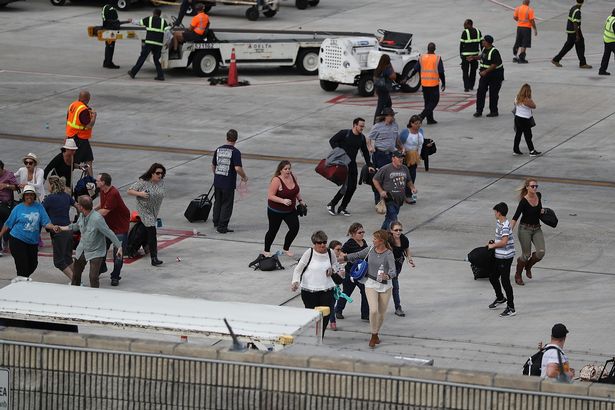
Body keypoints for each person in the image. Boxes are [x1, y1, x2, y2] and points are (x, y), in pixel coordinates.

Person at [339, 229, 396, 348]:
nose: (372, 240)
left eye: (375, 239)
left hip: (385, 285)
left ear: (381, 241)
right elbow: (356, 255)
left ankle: (376, 333)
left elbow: (393, 271)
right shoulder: (370, 249)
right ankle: (373, 335)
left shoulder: (389, 253)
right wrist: (341, 259)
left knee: (381, 314)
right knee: (373, 310)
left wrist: (387, 275)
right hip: (370, 283)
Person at [56, 195, 122, 288]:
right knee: (76, 275)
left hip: (96, 251)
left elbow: (109, 232)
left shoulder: (97, 219)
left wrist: (119, 246)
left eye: (78, 205)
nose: (77, 206)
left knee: (93, 277)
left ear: (81, 207)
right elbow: (76, 226)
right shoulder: (82, 215)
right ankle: (75, 292)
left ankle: (94, 297)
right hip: (82, 248)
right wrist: (61, 228)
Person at [291, 231, 339, 337]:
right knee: (311, 315)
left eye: (324, 242)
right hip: (309, 291)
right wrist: (295, 281)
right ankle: (312, 336)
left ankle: (320, 336)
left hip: (327, 289)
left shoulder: (330, 253)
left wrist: (332, 269)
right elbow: (298, 269)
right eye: (319, 242)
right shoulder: (309, 253)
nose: (322, 245)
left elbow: (336, 265)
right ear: (314, 243)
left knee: (326, 315)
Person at [0, 185, 56, 278]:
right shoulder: (18, 208)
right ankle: (22, 284)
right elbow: (8, 223)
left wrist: (53, 227)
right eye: (27, 194)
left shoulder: (39, 207)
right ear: (23, 196)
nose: (29, 196)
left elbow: (46, 222)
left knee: (33, 265)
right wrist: (0, 234)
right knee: (22, 266)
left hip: (32, 242)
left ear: (34, 196)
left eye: (31, 194)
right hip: (17, 240)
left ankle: (21, 280)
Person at [326, 117, 372, 217]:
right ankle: (332, 204)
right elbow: (332, 141)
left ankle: (343, 207)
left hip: (352, 165)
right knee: (345, 187)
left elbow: (365, 151)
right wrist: (340, 152)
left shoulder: (361, 138)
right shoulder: (344, 133)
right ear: (355, 125)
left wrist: (369, 165)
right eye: (360, 126)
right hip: (343, 164)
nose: (362, 128)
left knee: (353, 187)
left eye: (363, 126)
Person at [263, 161, 305, 257]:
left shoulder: (293, 176)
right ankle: (266, 250)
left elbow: (296, 190)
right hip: (275, 211)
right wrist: (283, 201)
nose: (288, 171)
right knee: (273, 230)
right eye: (285, 169)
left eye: (289, 168)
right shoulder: (276, 180)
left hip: (290, 210)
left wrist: (301, 200)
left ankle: (286, 248)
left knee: (294, 228)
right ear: (280, 170)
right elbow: (270, 196)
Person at [127, 163, 166, 266]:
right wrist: (140, 194)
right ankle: (154, 258)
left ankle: (131, 248)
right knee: (152, 233)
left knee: (143, 230)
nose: (160, 175)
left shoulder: (161, 182)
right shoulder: (143, 182)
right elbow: (130, 190)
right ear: (152, 173)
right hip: (144, 210)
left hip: (154, 211)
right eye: (158, 173)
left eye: (162, 173)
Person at [95, 172, 130, 286]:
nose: (96, 182)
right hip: (109, 226)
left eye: (97, 180)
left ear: (103, 182)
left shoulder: (113, 193)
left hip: (120, 227)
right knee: (101, 248)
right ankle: (102, 267)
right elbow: (102, 205)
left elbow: (104, 211)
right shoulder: (103, 191)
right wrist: (91, 208)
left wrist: (90, 215)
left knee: (118, 254)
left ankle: (115, 276)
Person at [211, 129, 248, 234]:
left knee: (218, 201)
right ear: (236, 139)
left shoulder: (218, 150)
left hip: (217, 181)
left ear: (226, 137)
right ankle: (222, 226)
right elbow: (237, 168)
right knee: (227, 204)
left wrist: (217, 175)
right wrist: (244, 177)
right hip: (228, 182)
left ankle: (216, 221)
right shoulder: (235, 152)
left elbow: (213, 166)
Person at [510, 178, 545, 286]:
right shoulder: (523, 202)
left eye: (536, 186)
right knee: (526, 254)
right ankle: (518, 275)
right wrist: (508, 231)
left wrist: (542, 211)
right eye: (532, 186)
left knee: (541, 252)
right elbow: (515, 217)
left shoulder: (538, 196)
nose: (535, 188)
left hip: (537, 229)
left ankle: (528, 266)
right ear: (527, 187)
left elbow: (539, 209)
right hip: (525, 229)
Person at [372, 151, 417, 230]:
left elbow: (409, 180)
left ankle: (381, 234)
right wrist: (381, 191)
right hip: (389, 198)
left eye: (402, 157)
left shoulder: (405, 168)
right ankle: (392, 234)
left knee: (389, 218)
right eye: (399, 157)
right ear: (393, 158)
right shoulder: (386, 168)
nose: (401, 159)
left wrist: (412, 188)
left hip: (399, 200)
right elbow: (375, 180)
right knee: (393, 218)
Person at [334, 222, 369, 322]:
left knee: (365, 292)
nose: (362, 234)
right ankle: (338, 310)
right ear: (353, 234)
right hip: (350, 272)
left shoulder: (364, 242)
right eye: (359, 232)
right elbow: (341, 254)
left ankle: (365, 314)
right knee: (346, 292)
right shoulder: (349, 243)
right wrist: (350, 259)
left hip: (361, 273)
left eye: (363, 232)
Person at [367, 107, 403, 203]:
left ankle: (389, 198)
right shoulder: (377, 126)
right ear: (385, 116)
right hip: (380, 155)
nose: (393, 117)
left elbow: (397, 138)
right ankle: (378, 199)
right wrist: (370, 147)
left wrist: (401, 147)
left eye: (393, 115)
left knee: (392, 176)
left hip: (392, 154)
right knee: (379, 177)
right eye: (391, 115)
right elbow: (369, 138)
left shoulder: (395, 125)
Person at [42, 176, 76, 280]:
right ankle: (77, 279)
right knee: (68, 258)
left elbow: (40, 211)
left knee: (59, 261)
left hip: (58, 232)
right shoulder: (66, 196)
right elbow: (78, 206)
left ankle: (75, 281)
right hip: (68, 230)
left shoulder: (49, 199)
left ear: (52, 185)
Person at [487, 202, 516, 317]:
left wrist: (492, 246)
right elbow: (499, 240)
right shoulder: (499, 222)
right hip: (499, 255)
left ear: (499, 212)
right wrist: (492, 243)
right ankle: (500, 298)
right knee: (493, 276)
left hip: (506, 257)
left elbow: (504, 242)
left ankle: (511, 308)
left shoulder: (505, 225)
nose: (494, 214)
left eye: (495, 212)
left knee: (505, 282)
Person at [128, 9, 169, 81]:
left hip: (149, 42)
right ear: (160, 14)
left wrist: (132, 21)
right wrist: (167, 43)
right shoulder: (163, 21)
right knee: (156, 60)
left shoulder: (149, 19)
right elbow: (168, 32)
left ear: (153, 13)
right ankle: (160, 76)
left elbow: (139, 22)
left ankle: (133, 72)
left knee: (142, 57)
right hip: (158, 44)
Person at [551, 0, 592, 69]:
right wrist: (577, 35)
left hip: (570, 30)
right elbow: (575, 23)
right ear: (583, 1)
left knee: (568, 46)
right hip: (574, 31)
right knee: (580, 45)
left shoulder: (573, 7)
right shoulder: (577, 11)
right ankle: (582, 63)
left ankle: (556, 59)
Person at [470, 35, 504, 118]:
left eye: (483, 41)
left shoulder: (494, 51)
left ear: (488, 42)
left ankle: (494, 111)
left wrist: (485, 71)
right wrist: (474, 57)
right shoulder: (485, 49)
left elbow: (494, 64)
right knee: (480, 92)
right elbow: (482, 57)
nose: (482, 42)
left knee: (493, 93)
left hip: (495, 76)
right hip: (485, 75)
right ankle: (479, 111)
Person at [66, 90, 96, 175]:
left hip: (71, 135)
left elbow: (68, 118)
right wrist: (94, 117)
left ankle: (89, 180)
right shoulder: (83, 110)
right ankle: (90, 182)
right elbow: (89, 126)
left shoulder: (73, 105)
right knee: (86, 161)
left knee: (86, 160)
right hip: (80, 138)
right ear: (88, 99)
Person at [414, 42, 445, 124]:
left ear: (427, 48)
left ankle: (430, 119)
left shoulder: (422, 57)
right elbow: (441, 72)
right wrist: (444, 83)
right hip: (433, 84)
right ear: (434, 49)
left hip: (424, 84)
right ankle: (421, 116)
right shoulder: (437, 58)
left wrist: (407, 78)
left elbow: (415, 69)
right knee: (434, 101)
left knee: (427, 102)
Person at [388, 221, 414, 317]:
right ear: (391, 230)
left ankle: (398, 308)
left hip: (397, 265)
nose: (398, 232)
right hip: (386, 266)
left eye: (400, 230)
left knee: (395, 287)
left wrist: (409, 259)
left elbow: (406, 249)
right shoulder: (387, 240)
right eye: (396, 230)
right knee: (382, 287)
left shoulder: (403, 239)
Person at [399, 114, 425, 204]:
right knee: (404, 176)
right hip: (406, 157)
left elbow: (420, 144)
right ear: (411, 123)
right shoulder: (405, 132)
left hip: (415, 157)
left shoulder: (421, 131)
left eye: (420, 123)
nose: (418, 125)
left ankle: (408, 194)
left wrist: (419, 155)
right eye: (416, 123)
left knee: (412, 175)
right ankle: (402, 194)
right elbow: (398, 143)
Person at [513, 84, 540, 156]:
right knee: (528, 135)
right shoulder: (526, 100)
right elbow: (534, 106)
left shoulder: (517, 97)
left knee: (518, 134)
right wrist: (530, 99)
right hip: (525, 119)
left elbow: (515, 104)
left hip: (518, 118)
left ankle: (515, 150)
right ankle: (531, 150)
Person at [101, 4, 129, 69]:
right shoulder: (110, 9)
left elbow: (107, 20)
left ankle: (106, 62)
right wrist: (118, 22)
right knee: (110, 47)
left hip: (108, 28)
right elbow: (113, 22)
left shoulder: (106, 8)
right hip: (110, 30)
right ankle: (109, 63)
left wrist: (125, 22)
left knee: (108, 46)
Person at [0, 160, 18, 255]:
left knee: (7, 224)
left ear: (2, 168)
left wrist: (6, 185)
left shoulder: (9, 174)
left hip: (6, 204)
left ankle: (6, 240)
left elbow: (17, 187)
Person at [460, 19, 482, 92]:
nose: (464, 26)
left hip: (466, 56)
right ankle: (471, 86)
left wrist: (461, 55)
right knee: (473, 71)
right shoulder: (478, 31)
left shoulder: (465, 32)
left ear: (469, 24)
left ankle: (466, 87)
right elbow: (481, 44)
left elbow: (461, 45)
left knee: (465, 72)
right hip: (475, 55)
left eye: (465, 24)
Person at [373, 55, 396, 124]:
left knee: (389, 103)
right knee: (380, 106)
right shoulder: (386, 68)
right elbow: (394, 76)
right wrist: (391, 67)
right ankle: (376, 123)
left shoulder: (379, 68)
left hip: (379, 89)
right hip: (385, 89)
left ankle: (386, 117)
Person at [327, 240, 343, 330]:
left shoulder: (339, 261)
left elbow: (341, 277)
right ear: (331, 250)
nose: (340, 251)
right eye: (338, 249)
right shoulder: (327, 260)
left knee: (332, 304)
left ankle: (332, 321)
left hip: (335, 286)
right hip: (326, 286)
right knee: (329, 304)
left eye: (340, 249)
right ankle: (332, 321)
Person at [599, 8, 615, 76]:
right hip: (612, 41)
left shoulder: (609, 17)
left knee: (606, 56)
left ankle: (602, 70)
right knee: (606, 55)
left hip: (606, 40)